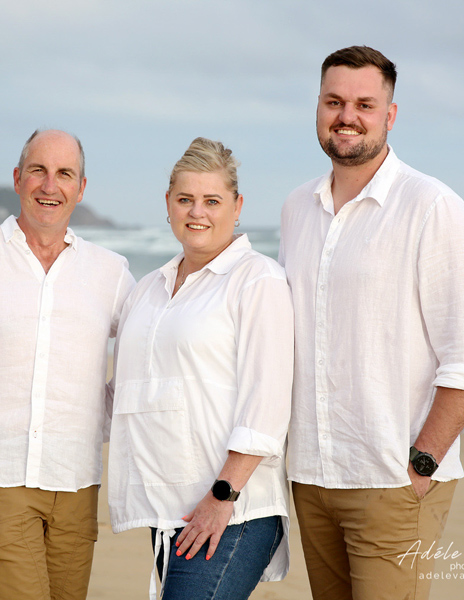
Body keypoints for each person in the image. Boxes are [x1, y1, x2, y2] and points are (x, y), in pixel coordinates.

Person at [278, 46, 464, 600]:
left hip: (393, 480)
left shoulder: (433, 207)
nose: (346, 116)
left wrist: (420, 465)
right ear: (318, 108)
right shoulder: (297, 207)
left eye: (364, 104)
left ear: (390, 115)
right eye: (334, 101)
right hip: (311, 477)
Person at [0, 129, 136, 600]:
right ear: (17, 178)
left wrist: (102, 415)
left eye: (64, 174)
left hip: (77, 480)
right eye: (38, 171)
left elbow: (149, 350)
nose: (50, 185)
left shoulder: (109, 272)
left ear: (80, 188)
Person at [108, 138, 293, 600]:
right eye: (185, 199)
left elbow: (268, 401)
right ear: (168, 204)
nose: (197, 213)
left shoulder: (257, 280)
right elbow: (125, 391)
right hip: (167, 510)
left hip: (233, 509)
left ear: (237, 206)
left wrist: (221, 496)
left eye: (212, 201)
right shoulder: (147, 290)